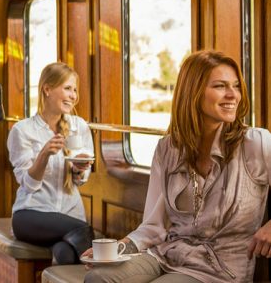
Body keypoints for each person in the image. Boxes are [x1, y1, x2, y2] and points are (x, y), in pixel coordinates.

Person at [84, 50, 271, 283]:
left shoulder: (256, 143)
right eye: (221, 86)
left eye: (236, 86)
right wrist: (121, 247)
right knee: (98, 278)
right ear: (193, 92)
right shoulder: (168, 148)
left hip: (219, 269)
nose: (233, 95)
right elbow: (154, 225)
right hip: (167, 255)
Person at [7, 62, 95, 265]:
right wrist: (44, 154)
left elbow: (81, 181)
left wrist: (78, 170)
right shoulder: (22, 130)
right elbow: (28, 185)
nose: (73, 95)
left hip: (70, 214)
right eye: (67, 88)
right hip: (31, 214)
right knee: (84, 232)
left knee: (65, 253)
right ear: (47, 89)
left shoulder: (79, 126)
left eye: (75, 90)